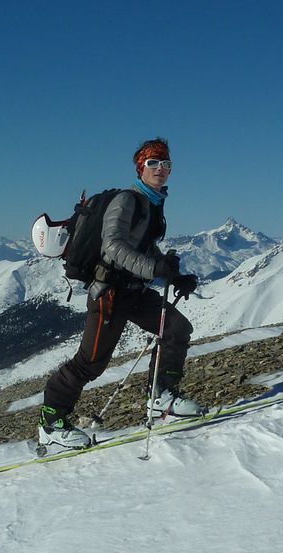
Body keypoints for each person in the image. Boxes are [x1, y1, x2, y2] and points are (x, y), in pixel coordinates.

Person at [39, 137, 201, 451]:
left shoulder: (153, 204)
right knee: (90, 363)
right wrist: (155, 269)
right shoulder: (128, 200)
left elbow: (142, 246)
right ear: (141, 167)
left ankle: (161, 397)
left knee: (176, 330)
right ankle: (51, 422)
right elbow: (112, 246)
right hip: (111, 292)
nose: (161, 169)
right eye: (153, 163)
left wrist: (174, 274)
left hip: (135, 290)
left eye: (166, 164)